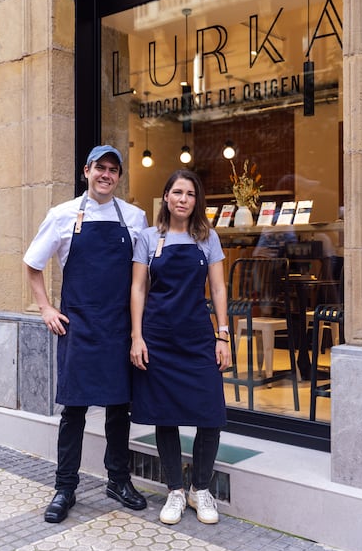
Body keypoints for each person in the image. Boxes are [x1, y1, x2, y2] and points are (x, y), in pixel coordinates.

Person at [23, 144, 148, 523]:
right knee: (74, 410)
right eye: (100, 168)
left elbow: (143, 276)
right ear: (86, 171)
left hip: (119, 327)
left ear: (120, 177)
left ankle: (118, 480)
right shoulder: (62, 215)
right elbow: (32, 263)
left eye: (113, 169)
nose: (106, 175)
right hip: (78, 326)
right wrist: (46, 308)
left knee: (118, 409)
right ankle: (65, 487)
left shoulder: (135, 217)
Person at [130, 169, 230, 526]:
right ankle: (175, 489)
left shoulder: (208, 238)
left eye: (189, 193)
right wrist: (137, 336)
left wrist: (223, 335)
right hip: (158, 337)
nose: (183, 199)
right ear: (166, 197)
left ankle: (200, 488)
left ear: (196, 199)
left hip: (197, 337)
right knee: (164, 412)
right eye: (177, 192)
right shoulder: (147, 237)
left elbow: (217, 289)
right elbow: (138, 288)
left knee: (210, 412)